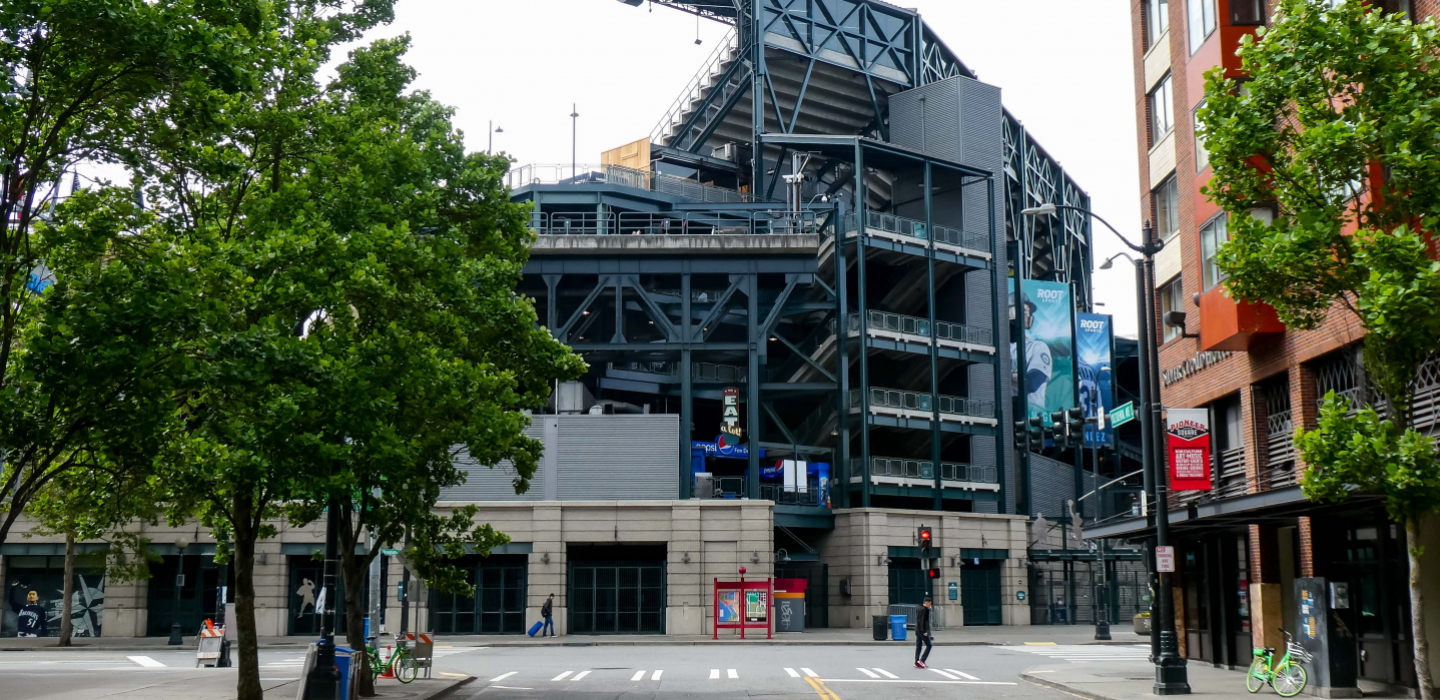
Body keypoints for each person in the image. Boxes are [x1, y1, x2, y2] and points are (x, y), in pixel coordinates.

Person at [914, 596, 933, 669]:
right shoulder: (925, 610)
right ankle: (922, 660)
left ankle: (916, 662)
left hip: (917, 629)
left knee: (918, 646)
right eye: (930, 603)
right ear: (927, 603)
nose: (930, 605)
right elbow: (924, 621)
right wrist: (925, 631)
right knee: (929, 645)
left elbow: (919, 620)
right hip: (922, 630)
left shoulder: (919, 608)